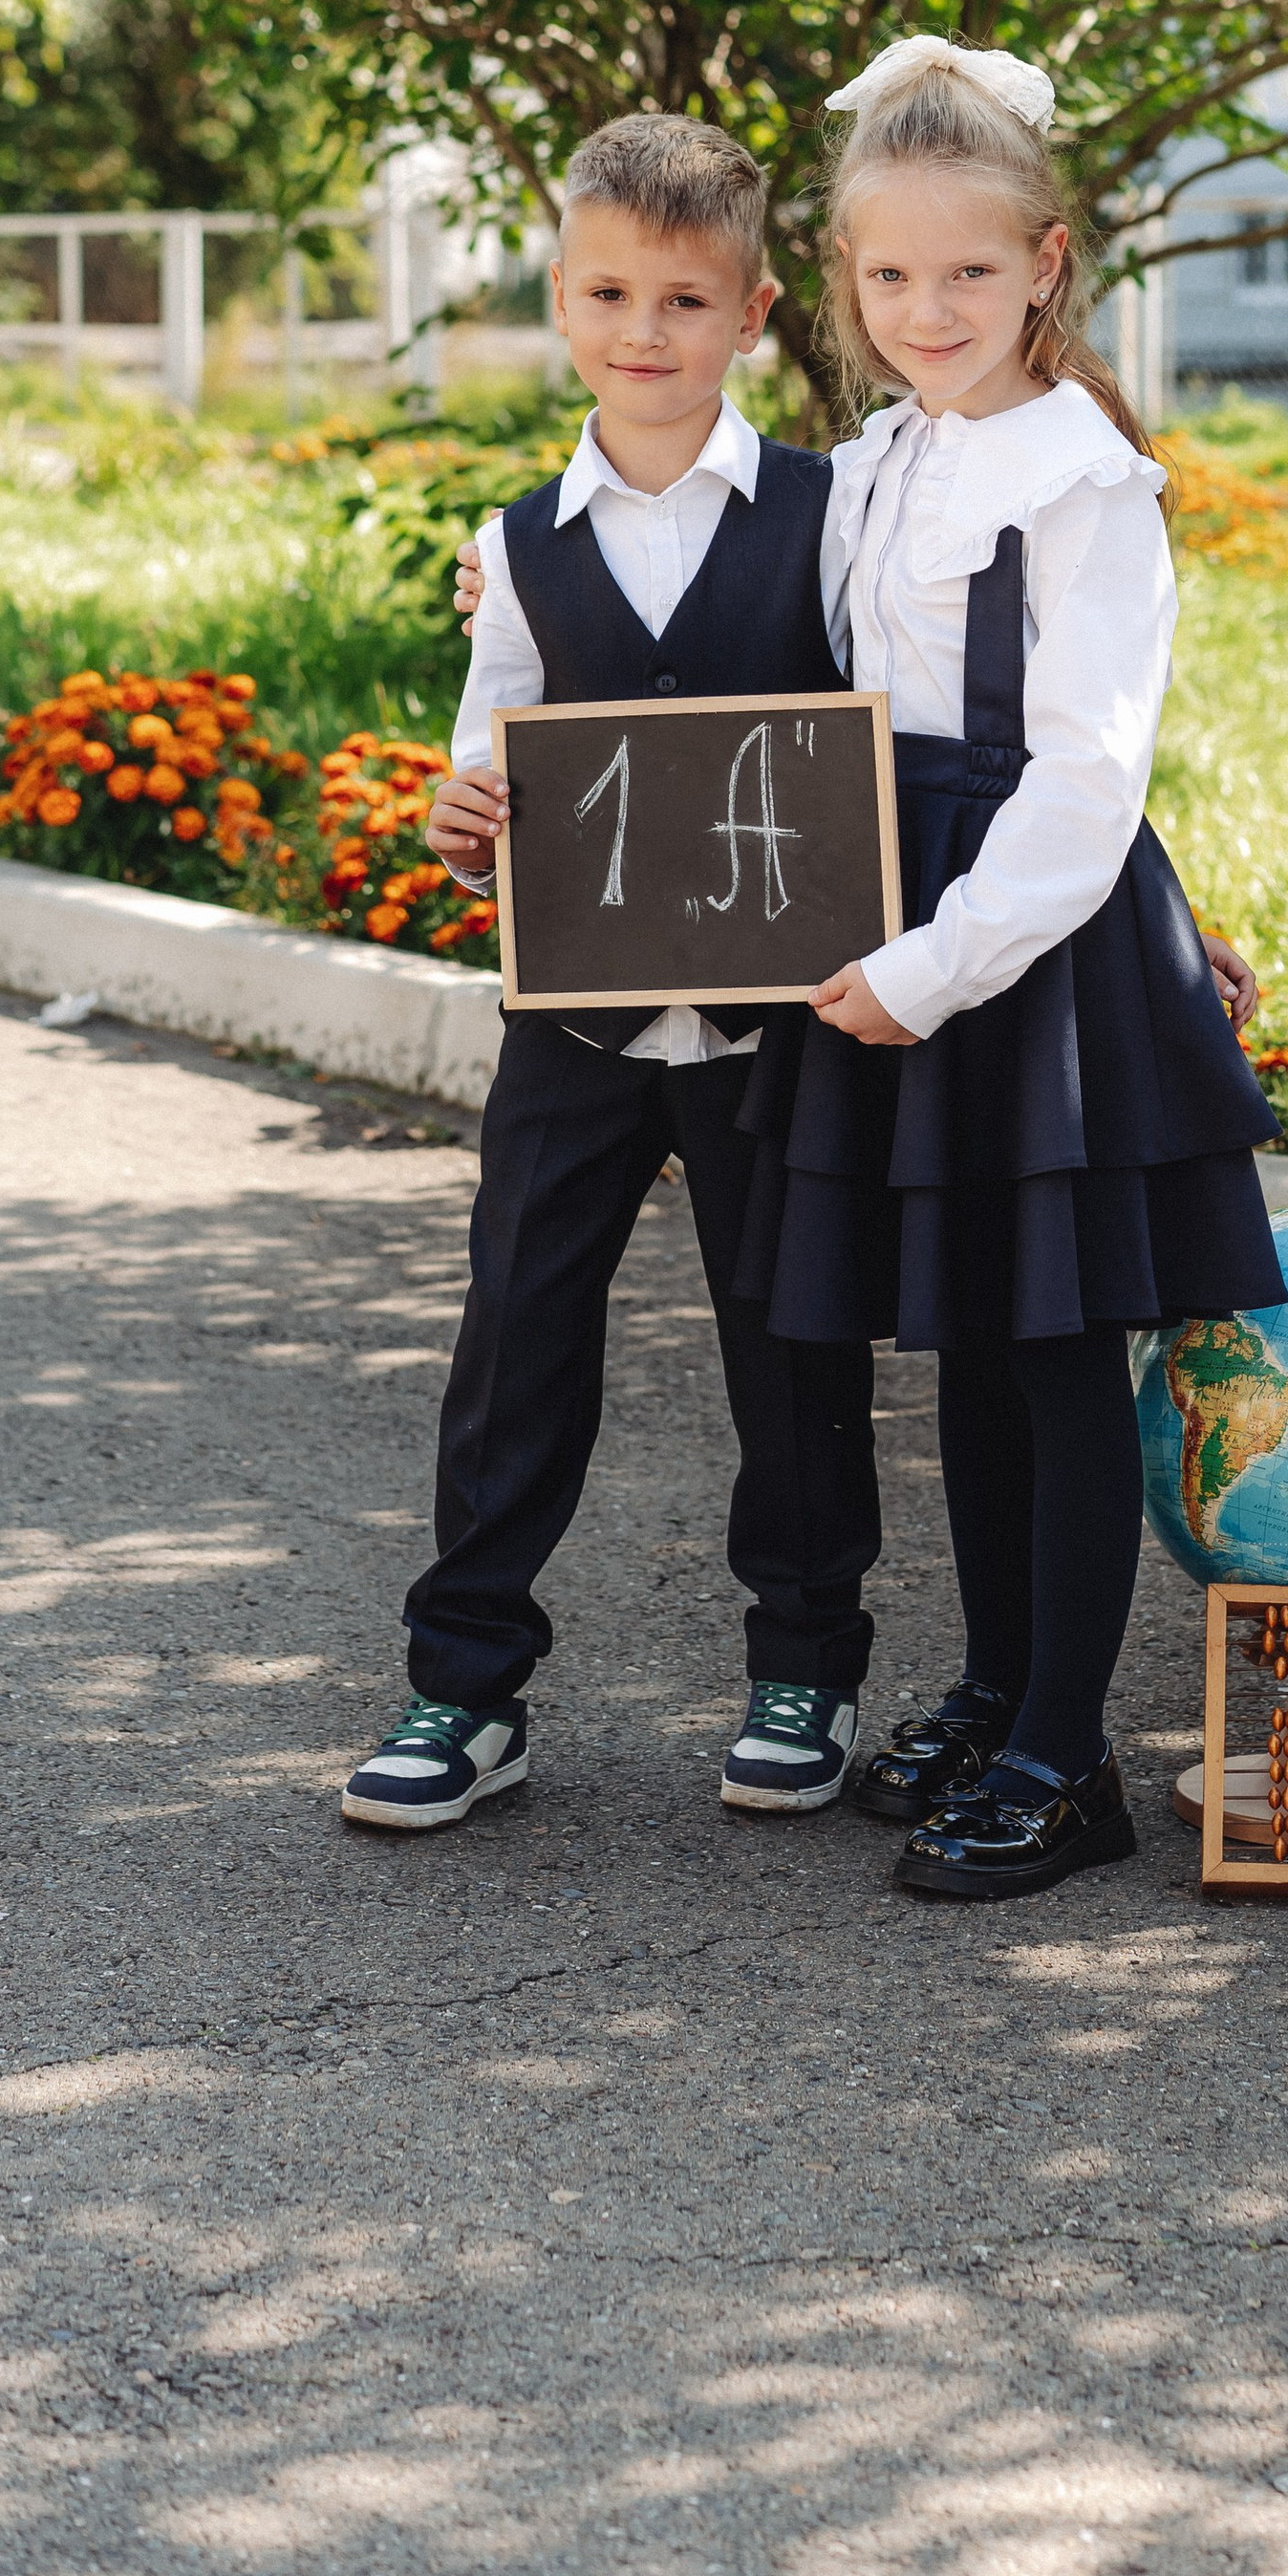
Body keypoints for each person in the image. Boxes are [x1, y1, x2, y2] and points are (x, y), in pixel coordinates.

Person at [725, 33, 1287, 1904]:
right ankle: (992, 1686)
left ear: (1045, 260)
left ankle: (1068, 1756)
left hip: (1012, 949)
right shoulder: (884, 459)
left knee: (1053, 1347)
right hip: (916, 922)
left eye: (965, 272)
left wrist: (943, 962)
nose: (923, 308)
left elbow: (1085, 768)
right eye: (886, 276)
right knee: (968, 1326)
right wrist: (516, 583)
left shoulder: (1083, 482)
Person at [338, 114, 883, 1833]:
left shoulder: (828, 508)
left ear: (752, 311)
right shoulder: (519, 538)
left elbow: (892, 730)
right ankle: (464, 1687)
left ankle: (809, 1660)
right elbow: (494, 731)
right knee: (517, 1329)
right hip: (572, 1017)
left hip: (772, 1018)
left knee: (788, 1337)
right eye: (605, 293)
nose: (641, 330)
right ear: (559, 295)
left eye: (682, 298)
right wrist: (463, 804)